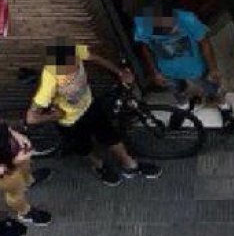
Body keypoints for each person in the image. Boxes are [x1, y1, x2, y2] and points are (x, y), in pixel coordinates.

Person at [26, 42, 162, 187]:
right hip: (70, 121)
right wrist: (56, 116)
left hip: (90, 104)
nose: (73, 72)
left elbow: (96, 58)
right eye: (68, 73)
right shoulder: (49, 82)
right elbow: (31, 118)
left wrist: (120, 72)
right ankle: (99, 166)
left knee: (110, 134)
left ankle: (130, 165)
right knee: (84, 146)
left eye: (75, 67)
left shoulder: (73, 50)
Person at [134, 0, 234, 133]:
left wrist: (213, 68)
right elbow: (145, 47)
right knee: (176, 89)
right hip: (166, 69)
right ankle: (184, 105)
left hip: (195, 67)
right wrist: (154, 72)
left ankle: (224, 107)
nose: (164, 31)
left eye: (166, 27)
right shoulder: (142, 24)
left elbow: (205, 43)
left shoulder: (187, 19)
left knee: (210, 88)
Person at [0, 124, 52, 226]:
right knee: (15, 192)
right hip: (6, 171)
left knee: (25, 169)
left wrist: (13, 134)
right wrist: (14, 162)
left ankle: (28, 181)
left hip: (12, 150)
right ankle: (25, 212)